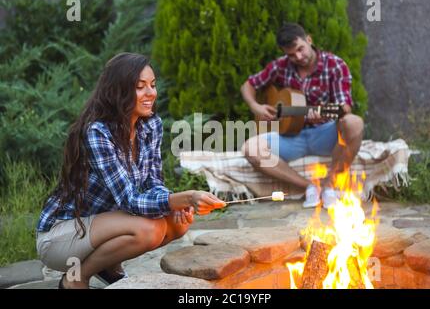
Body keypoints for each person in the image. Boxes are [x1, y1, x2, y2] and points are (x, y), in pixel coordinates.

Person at [36, 53, 224, 289]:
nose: (151, 93)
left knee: (178, 224)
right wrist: (185, 197)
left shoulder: (151, 124)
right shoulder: (98, 132)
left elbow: (154, 180)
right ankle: (76, 278)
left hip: (105, 224)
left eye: (153, 85)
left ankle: (107, 266)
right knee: (149, 230)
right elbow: (129, 200)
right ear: (118, 91)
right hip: (62, 235)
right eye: (140, 87)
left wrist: (173, 204)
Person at [241, 23, 364, 209]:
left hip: (324, 134)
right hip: (291, 136)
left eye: (300, 49)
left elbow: (344, 107)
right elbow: (248, 85)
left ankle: (330, 184)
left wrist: (322, 112)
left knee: (354, 123)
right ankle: (310, 187)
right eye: (291, 54)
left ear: (309, 39)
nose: (298, 57)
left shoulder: (335, 65)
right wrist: (255, 106)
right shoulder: (280, 66)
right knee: (251, 148)